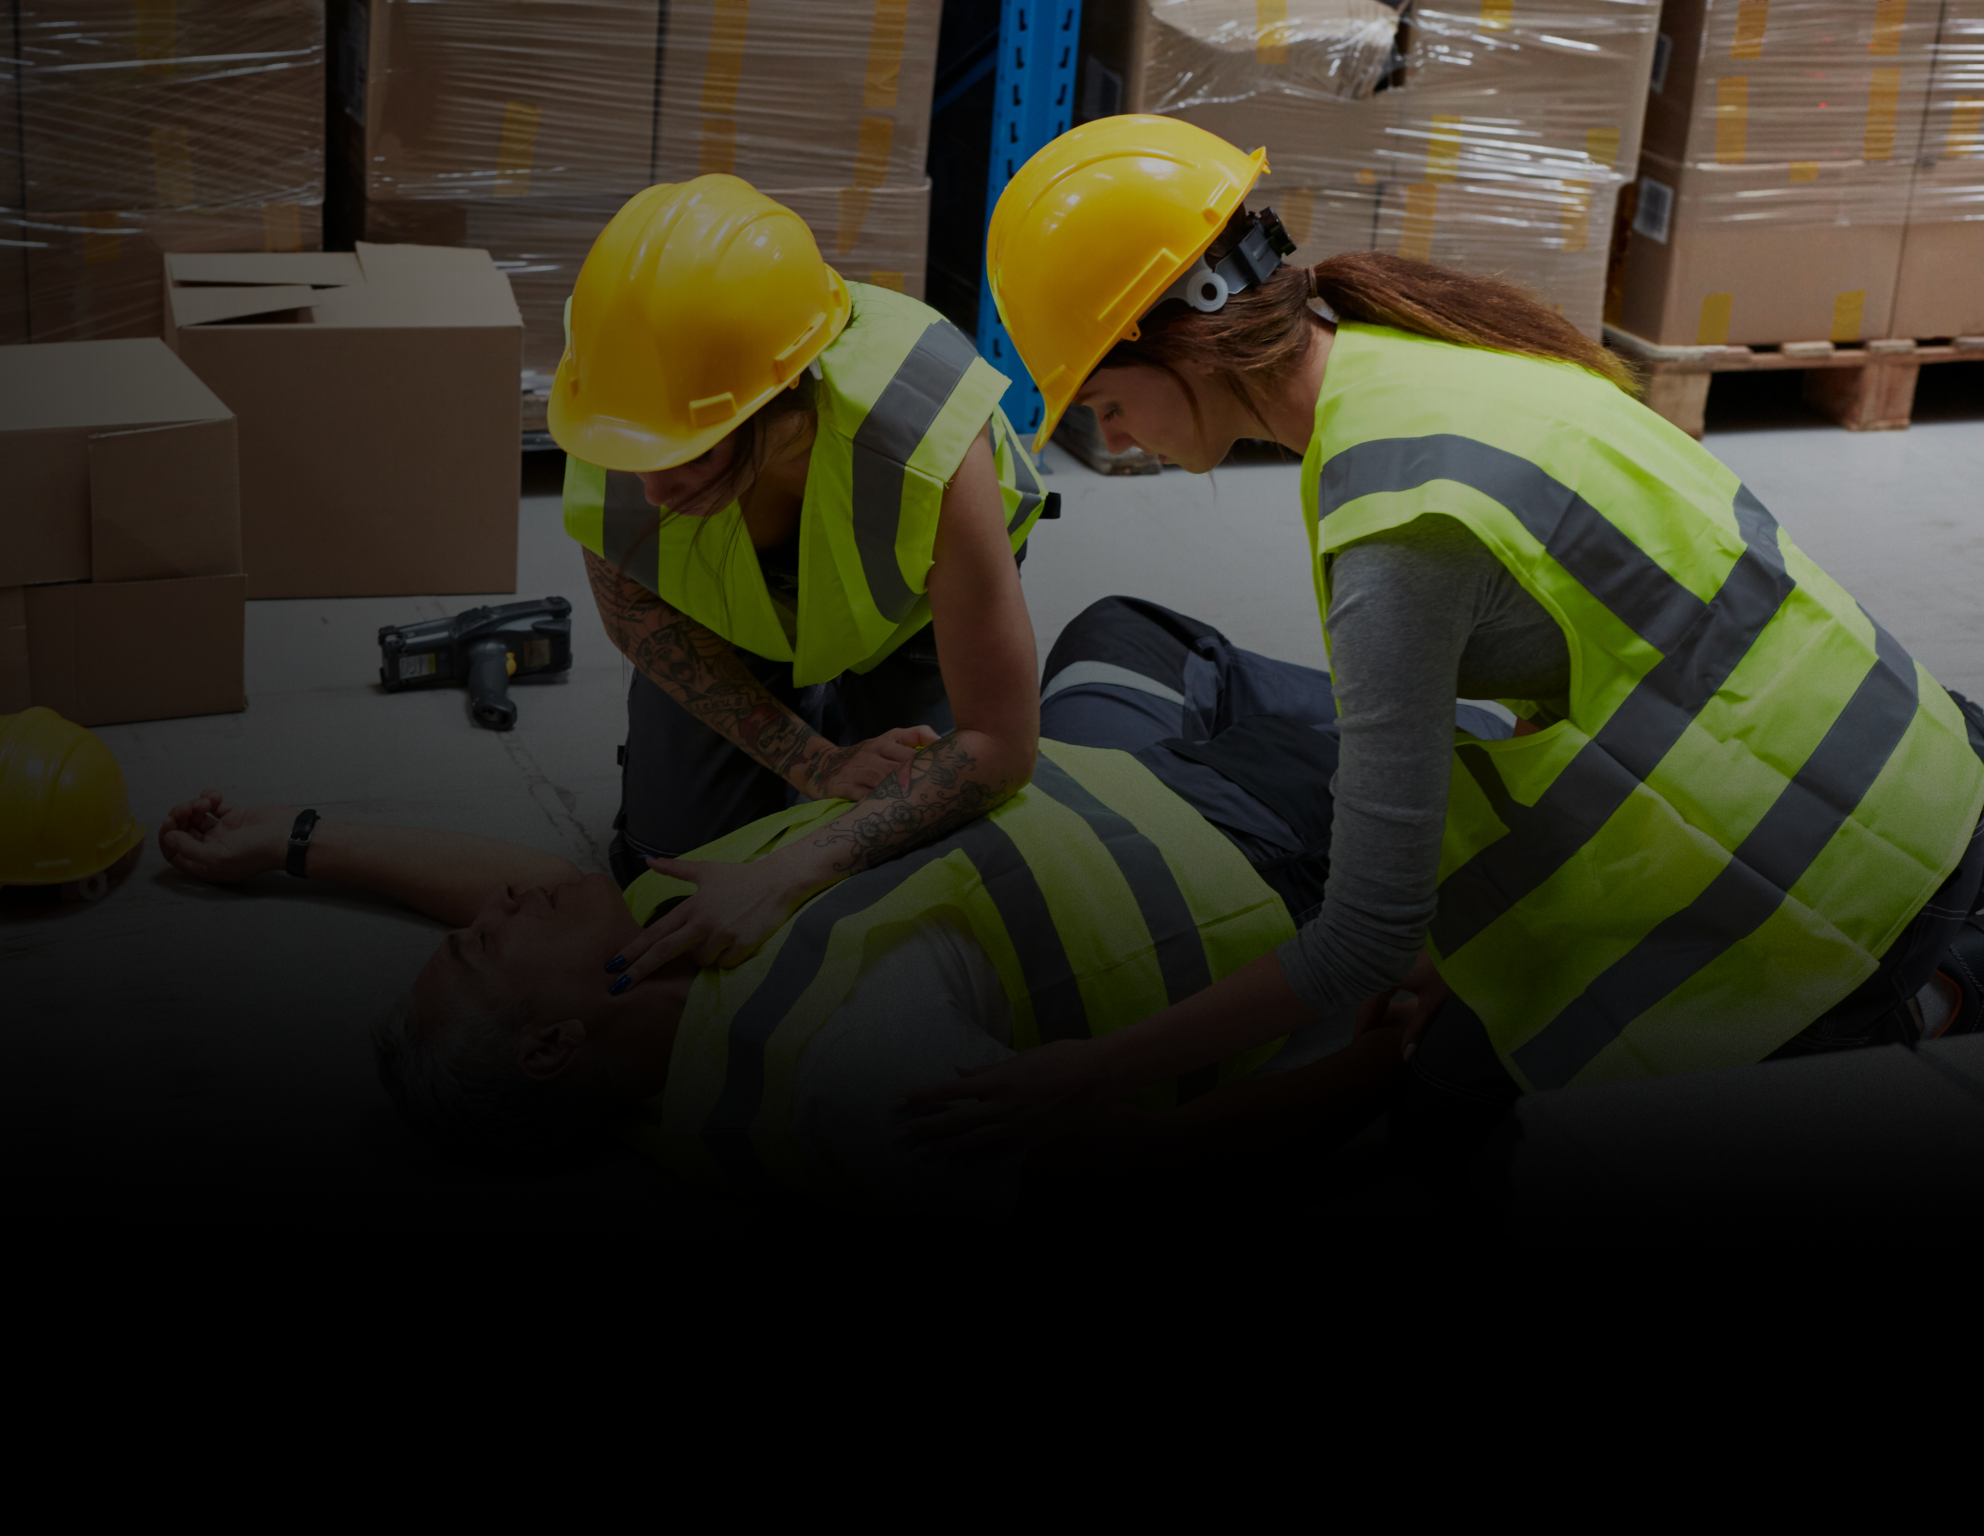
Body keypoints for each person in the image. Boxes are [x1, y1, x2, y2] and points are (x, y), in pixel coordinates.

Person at [899, 115, 1984, 1176]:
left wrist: (1096, 1068)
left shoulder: (1399, 530)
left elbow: (1362, 938)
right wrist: (1448, 955)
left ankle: (1926, 1002)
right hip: (1903, 748)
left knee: (1458, 1133)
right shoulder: (1424, 356)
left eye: (1104, 399)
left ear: (1191, 333)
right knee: (1458, 1026)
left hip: (1853, 877)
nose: (1112, 435)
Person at [158, 599, 1428, 1216]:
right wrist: (1371, 1073)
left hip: (1097, 773)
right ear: (550, 1044)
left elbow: (502, 885)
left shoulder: (658, 950)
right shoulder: (847, 1066)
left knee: (1123, 631)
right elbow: (1131, 1178)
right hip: (1252, 841)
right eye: (485, 945)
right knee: (1440, 738)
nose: (496, 905)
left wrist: (304, 841)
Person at [548, 175, 1052, 983]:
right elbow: (636, 613)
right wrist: (809, 760)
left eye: (693, 454)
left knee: (918, 868)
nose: (650, 490)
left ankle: (853, 702)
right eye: (634, 452)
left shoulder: (926, 434)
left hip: (910, 611)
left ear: (787, 404)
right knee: (665, 882)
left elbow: (1001, 744)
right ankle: (802, 719)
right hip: (724, 615)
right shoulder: (626, 392)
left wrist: (788, 874)